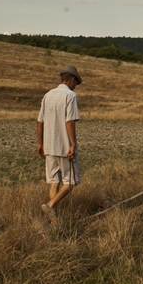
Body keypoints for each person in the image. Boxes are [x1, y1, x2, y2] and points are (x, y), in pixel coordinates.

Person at [36, 65, 82, 218]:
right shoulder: (70, 96)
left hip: (49, 146)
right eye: (76, 83)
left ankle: (53, 218)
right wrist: (72, 144)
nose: (75, 86)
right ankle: (50, 205)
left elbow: (40, 122)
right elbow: (69, 121)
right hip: (64, 147)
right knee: (71, 182)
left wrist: (41, 144)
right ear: (72, 80)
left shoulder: (48, 95)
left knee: (54, 181)